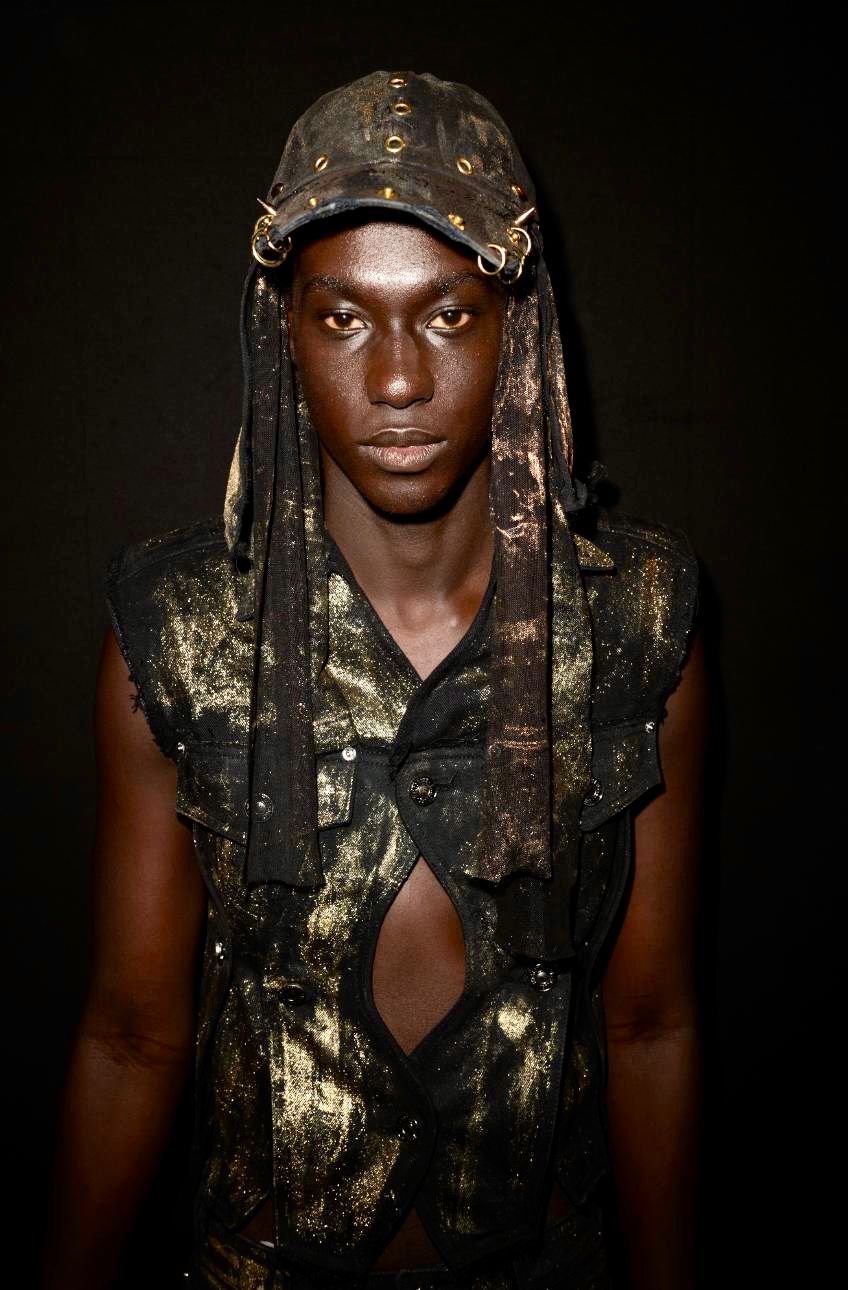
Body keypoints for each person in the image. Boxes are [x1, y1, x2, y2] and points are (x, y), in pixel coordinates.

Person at [43, 70, 706, 1289]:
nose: (397, 381)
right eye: (343, 317)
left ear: (516, 327)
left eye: (447, 314)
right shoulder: (178, 629)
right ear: (282, 332)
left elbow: (649, 1022)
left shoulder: (636, 620)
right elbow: (132, 1037)